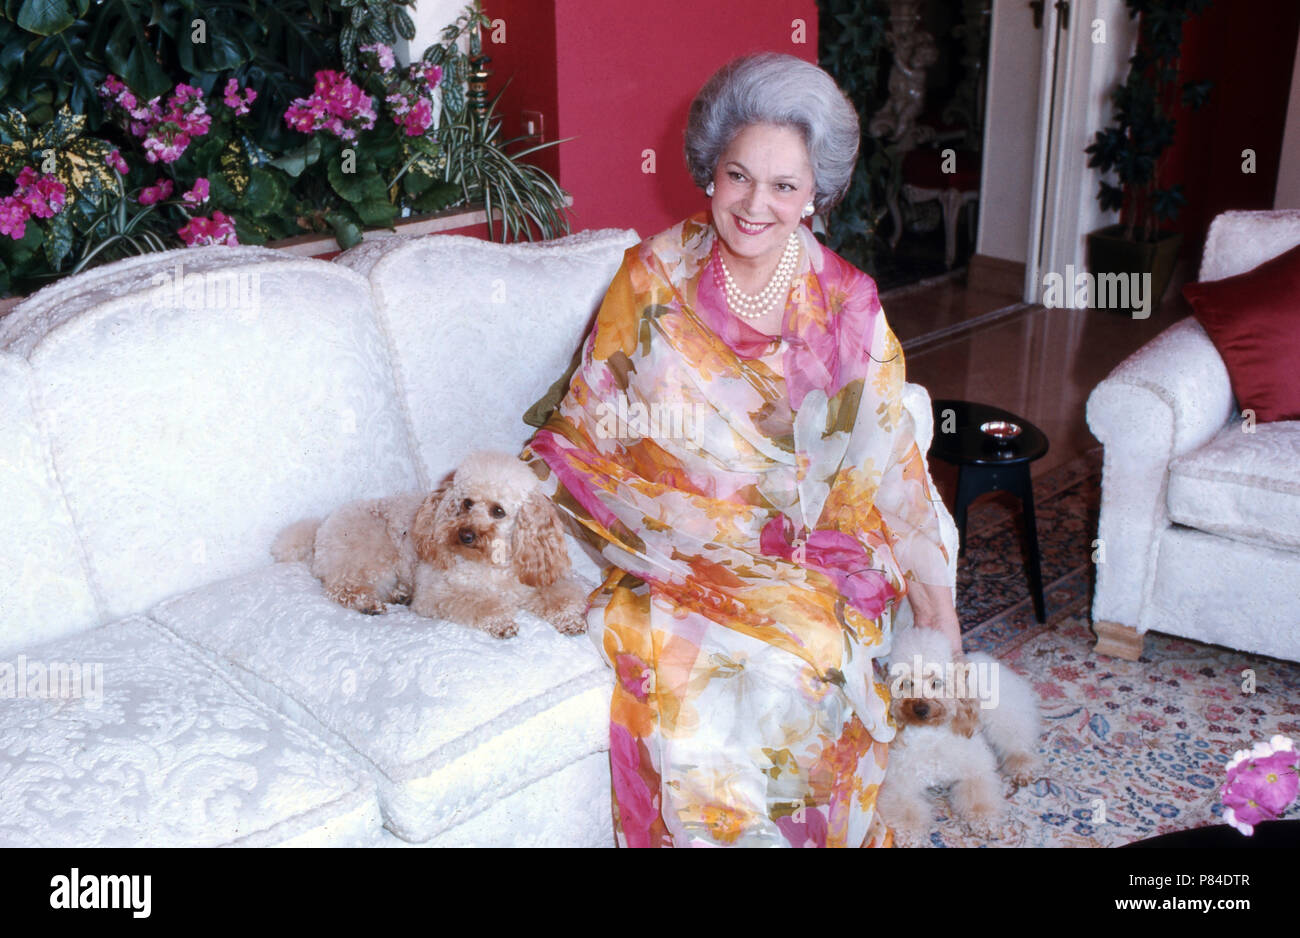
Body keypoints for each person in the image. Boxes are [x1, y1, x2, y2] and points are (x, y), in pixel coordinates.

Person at [521, 52, 960, 848]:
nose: (756, 204)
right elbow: (590, 422)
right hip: (667, 542)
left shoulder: (844, 305)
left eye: (784, 186)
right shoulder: (650, 277)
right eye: (737, 176)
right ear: (709, 172)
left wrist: (938, 606)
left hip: (806, 550)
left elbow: (889, 458)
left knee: (817, 652)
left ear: (815, 196)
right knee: (705, 663)